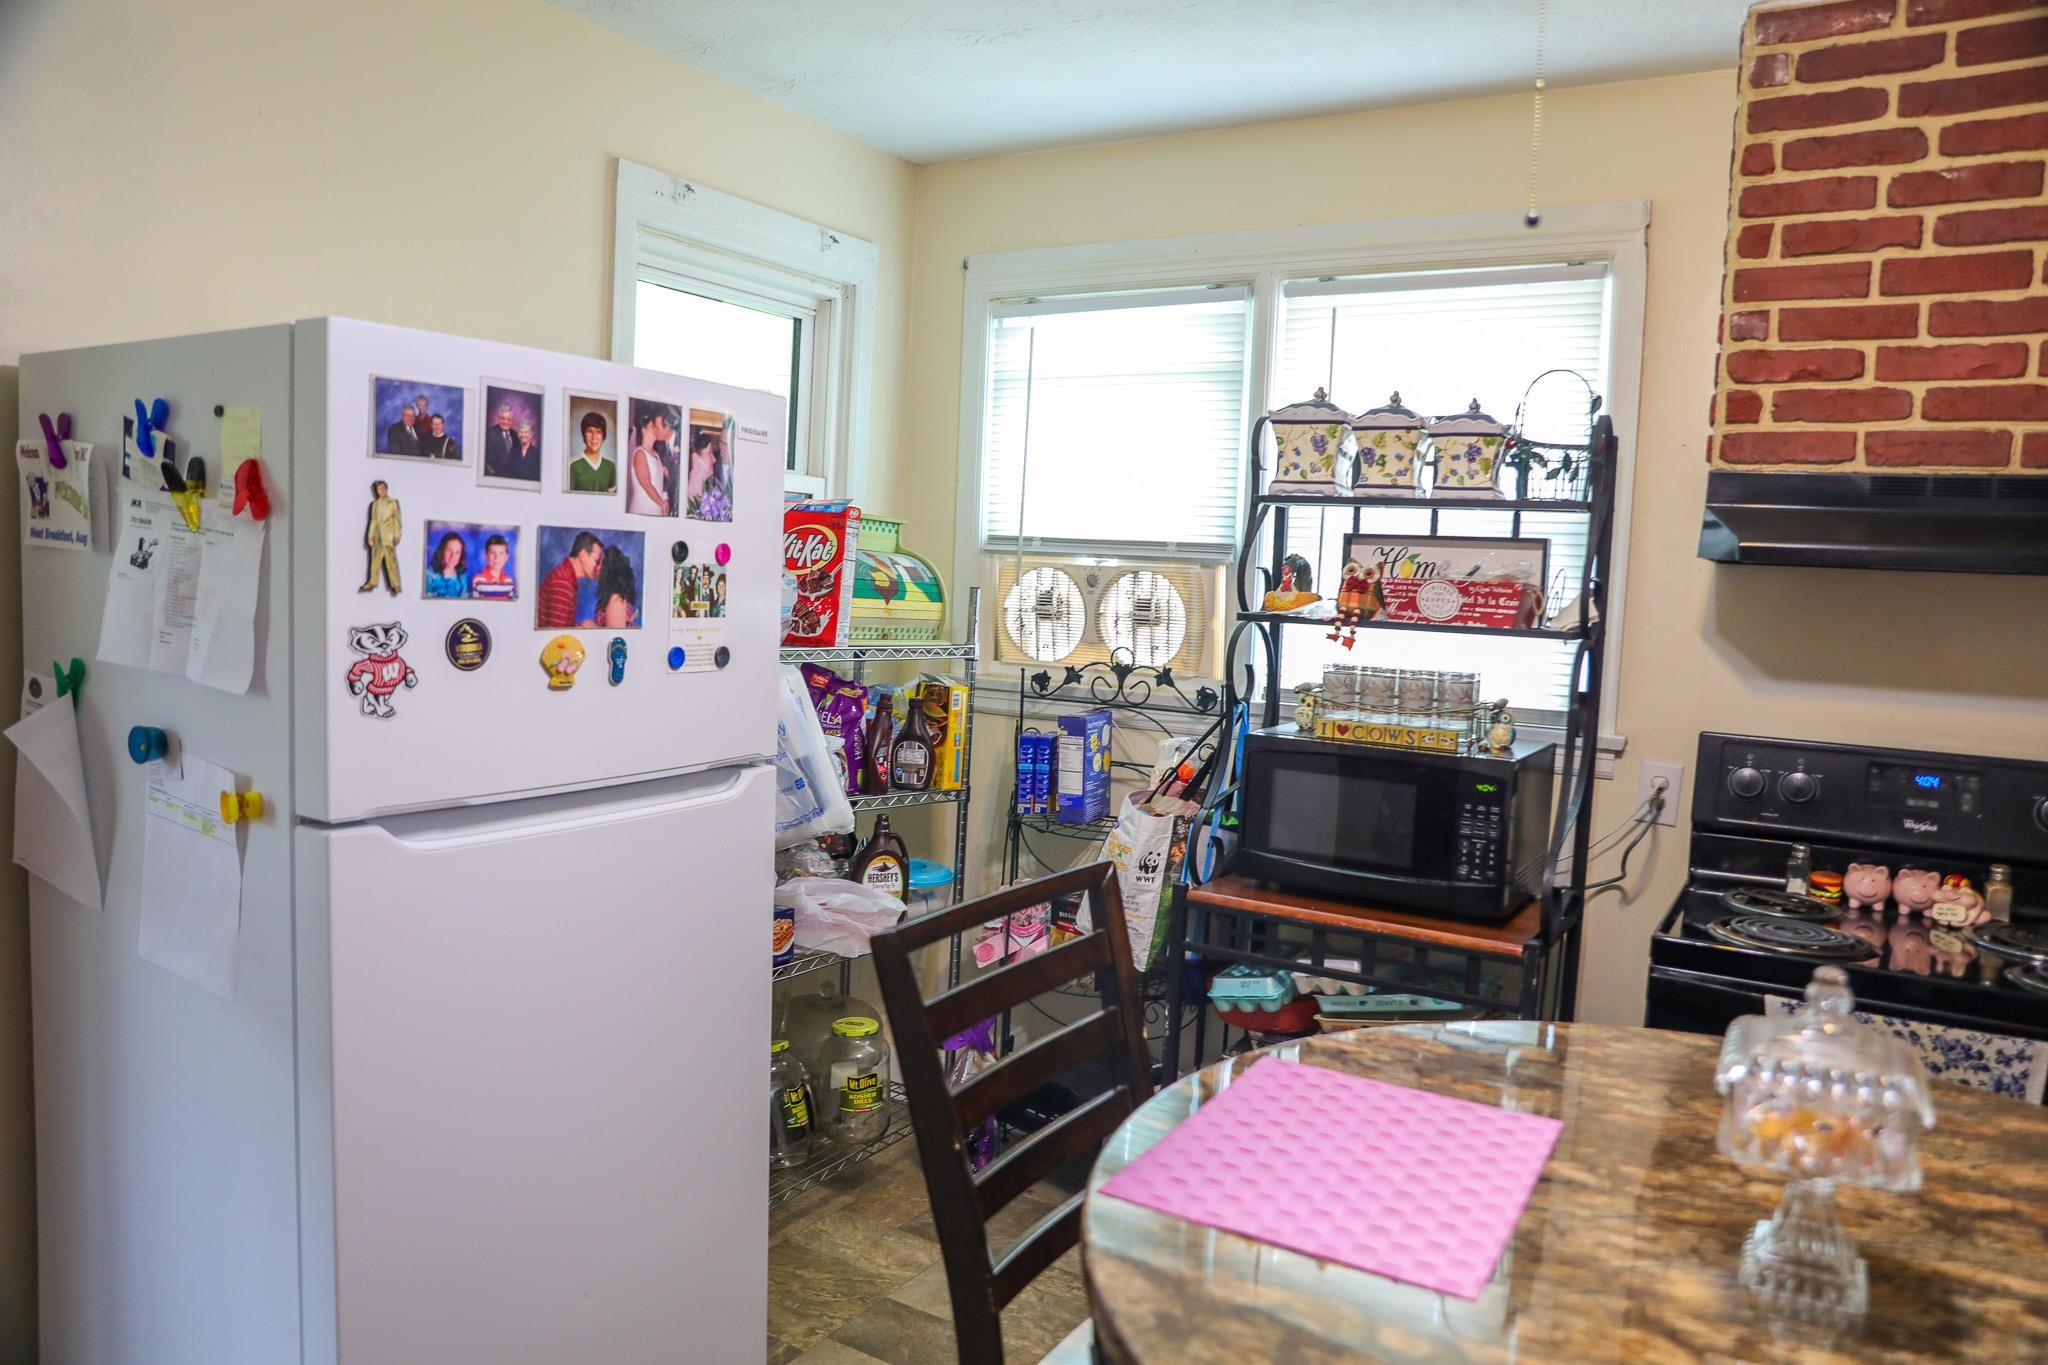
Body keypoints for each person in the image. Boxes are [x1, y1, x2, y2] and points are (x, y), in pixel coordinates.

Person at [535, 532, 602, 629]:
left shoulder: (566, 576)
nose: (598, 567)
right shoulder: (563, 582)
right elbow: (555, 635)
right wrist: (583, 628)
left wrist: (581, 626)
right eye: (597, 561)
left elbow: (561, 626)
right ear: (583, 555)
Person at [626, 405, 674, 516]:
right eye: (653, 426)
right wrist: (661, 503)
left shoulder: (656, 454)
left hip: (657, 507)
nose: (656, 429)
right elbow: (647, 485)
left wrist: (665, 500)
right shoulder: (640, 454)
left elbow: (662, 482)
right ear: (644, 430)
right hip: (643, 508)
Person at [360, 481, 402, 594]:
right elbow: (373, 520)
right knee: (375, 561)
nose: (381, 491)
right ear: (376, 491)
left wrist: (397, 535)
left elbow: (397, 520)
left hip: (388, 536)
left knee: (391, 561)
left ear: (386, 489)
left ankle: (396, 584)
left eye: (383, 488)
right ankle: (372, 582)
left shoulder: (393, 502)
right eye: (379, 489)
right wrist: (370, 535)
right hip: (377, 536)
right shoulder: (375, 504)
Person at [685, 426, 730, 521]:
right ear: (695, 458)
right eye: (709, 453)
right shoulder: (682, 498)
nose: (714, 460)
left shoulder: (714, 491)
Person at [569, 410, 615, 493]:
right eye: (590, 431)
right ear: (583, 435)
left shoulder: (610, 466)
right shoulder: (573, 465)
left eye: (598, 432)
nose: (594, 437)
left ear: (603, 436)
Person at [595, 545, 639, 628]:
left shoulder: (616, 600)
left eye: (599, 563)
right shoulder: (613, 597)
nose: (596, 568)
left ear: (608, 570)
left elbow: (615, 637)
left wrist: (591, 626)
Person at [470, 533, 515, 599]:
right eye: (492, 553)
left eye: (501, 553)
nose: (497, 557)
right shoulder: (477, 580)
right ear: (486, 555)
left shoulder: (509, 581)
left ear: (506, 557)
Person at [424, 532, 469, 598]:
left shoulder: (462, 576)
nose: (453, 556)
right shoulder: (429, 574)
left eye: (457, 552)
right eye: (449, 550)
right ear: (442, 551)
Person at [484, 402, 520, 478]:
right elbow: (487, 462)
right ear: (498, 418)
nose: (505, 422)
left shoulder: (516, 435)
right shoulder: (490, 434)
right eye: (502, 418)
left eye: (509, 419)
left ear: (512, 420)